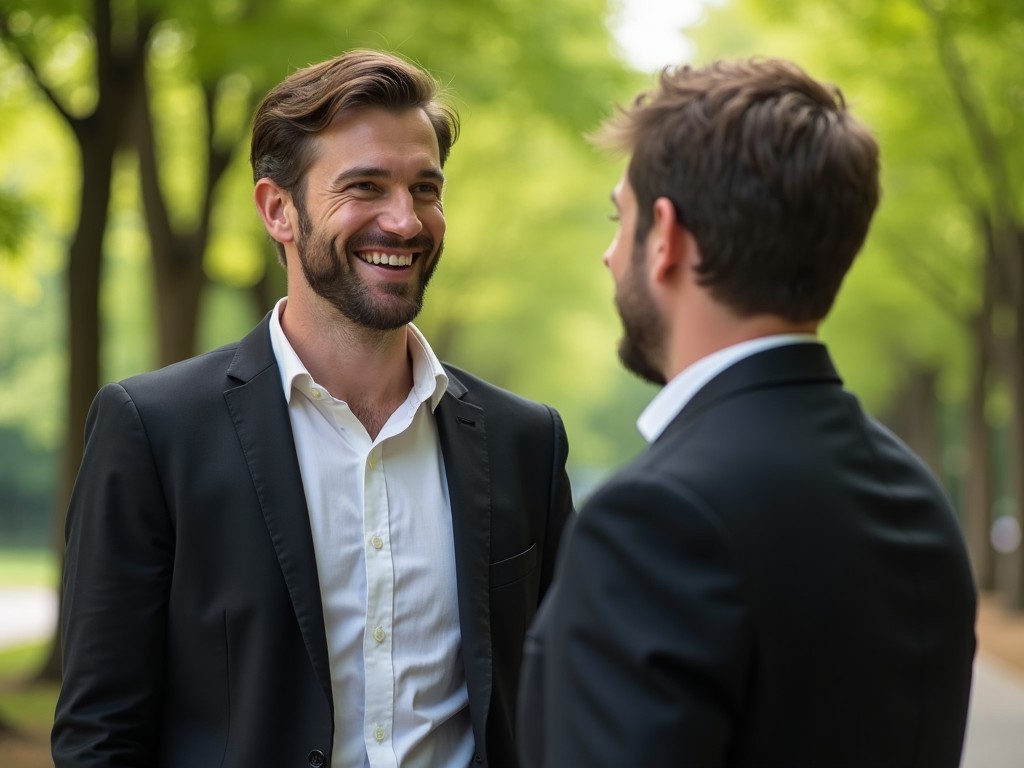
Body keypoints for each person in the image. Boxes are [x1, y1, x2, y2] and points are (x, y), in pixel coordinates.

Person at [52, 49, 573, 768]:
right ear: (278, 210)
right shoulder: (153, 431)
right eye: (365, 186)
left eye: (426, 189)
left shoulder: (527, 441)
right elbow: (99, 736)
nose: (405, 221)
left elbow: (560, 704)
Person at [517, 57, 976, 767]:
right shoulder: (918, 499)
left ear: (664, 237)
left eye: (622, 217)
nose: (610, 255)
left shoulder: (651, 520)